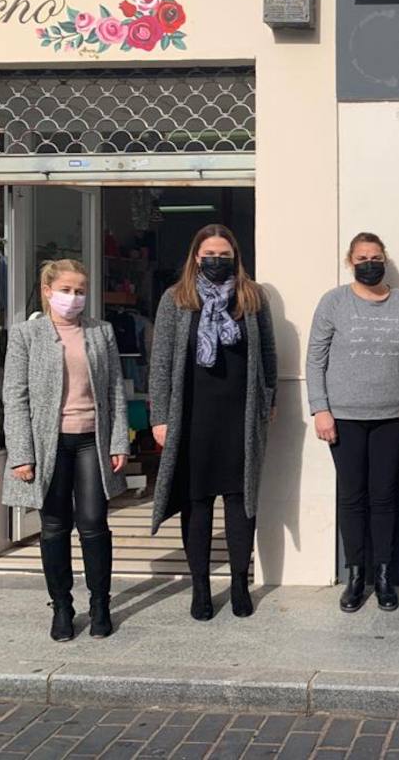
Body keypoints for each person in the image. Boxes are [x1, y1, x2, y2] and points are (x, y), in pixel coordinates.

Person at [149, 224, 277, 622]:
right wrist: (159, 417)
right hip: (193, 416)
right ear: (196, 257)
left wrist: (269, 399)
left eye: (224, 255)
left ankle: (239, 583)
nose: (217, 261)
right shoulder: (176, 299)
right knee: (197, 502)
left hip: (240, 416)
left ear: (236, 258)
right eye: (210, 255)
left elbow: (268, 352)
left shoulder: (252, 297)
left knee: (241, 501)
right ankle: (201, 588)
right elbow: (161, 362)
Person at [2, 260, 130, 642]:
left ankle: (100, 604)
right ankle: (61, 606)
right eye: (66, 290)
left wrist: (119, 441)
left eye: (80, 291)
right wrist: (21, 453)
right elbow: (15, 396)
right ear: (47, 291)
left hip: (92, 438)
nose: (74, 298)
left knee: (93, 522)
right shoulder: (26, 335)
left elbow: (115, 390)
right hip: (49, 443)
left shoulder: (101, 331)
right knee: (55, 525)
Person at [307, 232, 399, 613]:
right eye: (362, 258)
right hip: (344, 417)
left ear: (385, 259)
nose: (369, 264)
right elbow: (315, 358)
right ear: (350, 262)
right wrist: (319, 408)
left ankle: (384, 575)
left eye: (375, 257)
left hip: (393, 416)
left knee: (384, 496)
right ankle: (356, 575)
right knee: (351, 496)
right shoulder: (333, 302)